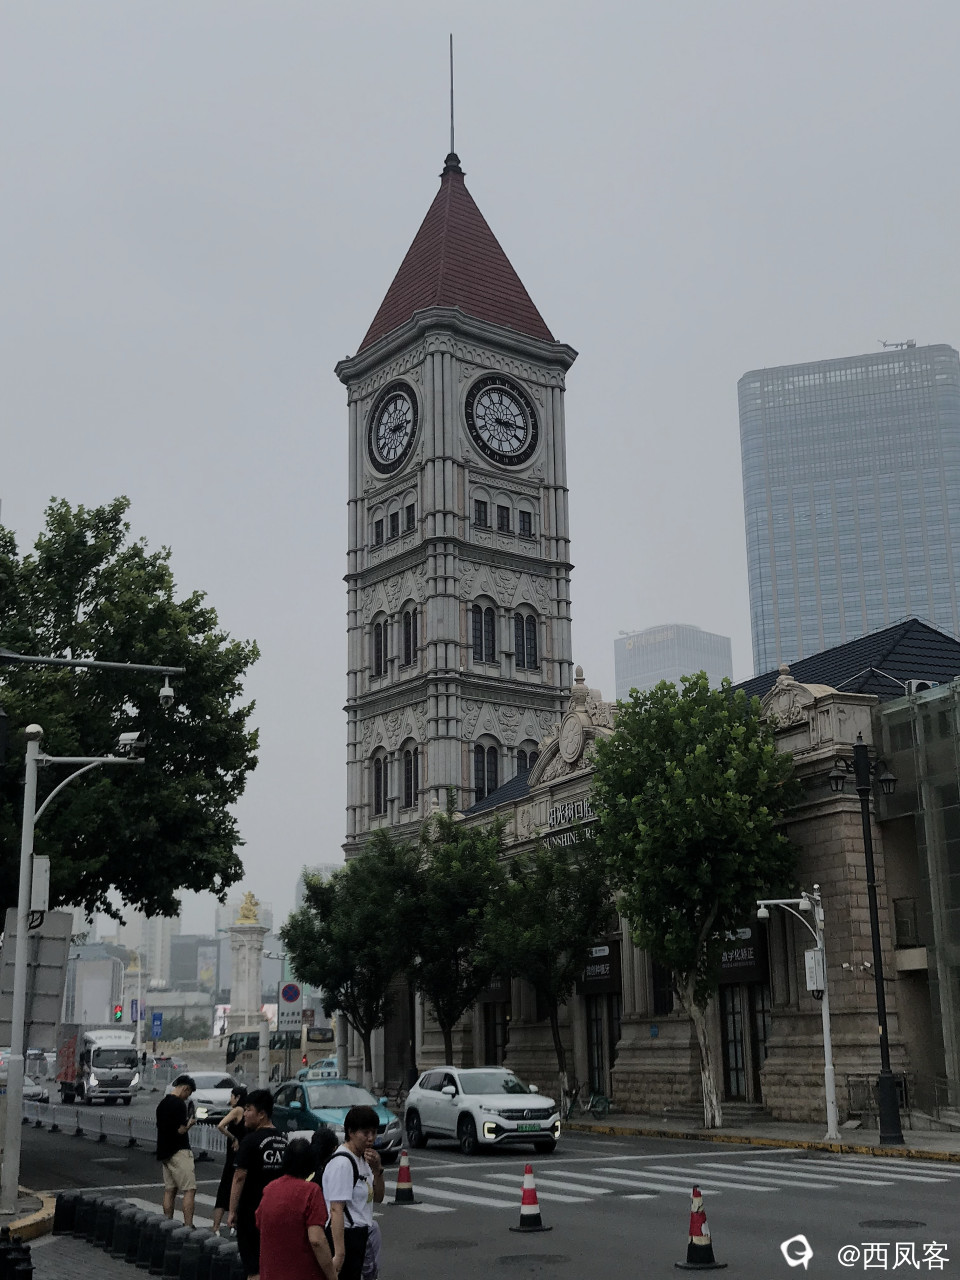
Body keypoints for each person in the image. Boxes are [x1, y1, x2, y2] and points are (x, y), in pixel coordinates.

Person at [255, 1139, 337, 1280]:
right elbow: (317, 1240)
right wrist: (332, 1275)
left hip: (271, 1273)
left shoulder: (270, 1188)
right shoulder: (311, 1191)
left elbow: (259, 1223)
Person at [229, 1088, 288, 1279]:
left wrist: (232, 1210)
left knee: (253, 1267)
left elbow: (239, 1177)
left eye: (248, 1109)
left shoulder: (250, 1141)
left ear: (261, 1114)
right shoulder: (283, 1140)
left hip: (252, 1211)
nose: (244, 1114)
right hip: (278, 1211)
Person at [321, 1106, 384, 1280]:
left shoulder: (363, 1159)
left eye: (374, 1132)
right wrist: (339, 1253)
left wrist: (377, 1170)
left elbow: (378, 1197)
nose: (370, 1138)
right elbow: (336, 1209)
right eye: (365, 1133)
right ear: (351, 1132)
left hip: (360, 1235)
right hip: (346, 1235)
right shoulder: (342, 1163)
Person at [155, 1074, 197, 1226]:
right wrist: (190, 1124)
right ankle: (188, 1225)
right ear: (185, 1088)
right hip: (179, 1151)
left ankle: (168, 1224)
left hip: (164, 1151)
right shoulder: (179, 1104)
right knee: (189, 1189)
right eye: (188, 1093)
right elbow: (180, 1130)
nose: (187, 1097)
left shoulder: (162, 1104)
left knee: (170, 1190)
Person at [212, 1084, 248, 1234]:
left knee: (224, 1191)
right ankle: (235, 1225)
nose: (230, 1099)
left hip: (233, 1155)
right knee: (239, 1192)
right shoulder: (246, 1112)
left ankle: (216, 1226)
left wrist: (233, 1138)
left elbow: (220, 1125)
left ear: (237, 1097)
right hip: (242, 1156)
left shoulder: (237, 1110)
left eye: (232, 1096)